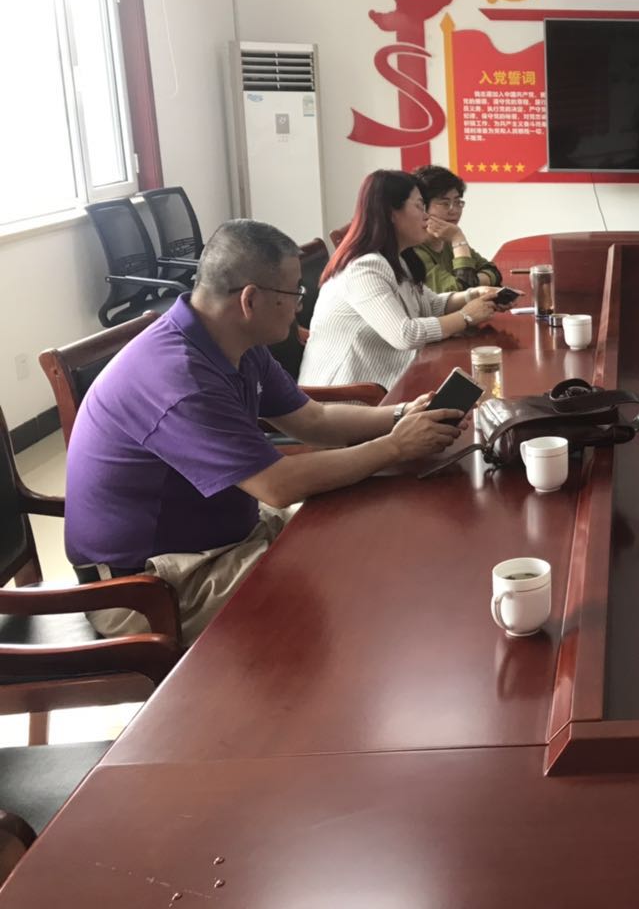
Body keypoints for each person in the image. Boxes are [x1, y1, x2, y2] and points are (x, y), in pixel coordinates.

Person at [65, 220, 466, 644]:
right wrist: (394, 447)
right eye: (294, 293)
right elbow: (276, 486)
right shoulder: (179, 377)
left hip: (224, 539)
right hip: (148, 585)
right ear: (250, 299)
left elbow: (313, 421)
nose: (299, 306)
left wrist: (400, 415)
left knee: (364, 529)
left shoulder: (235, 342)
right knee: (347, 579)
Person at [300, 169, 501, 390]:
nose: (426, 216)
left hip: (390, 380)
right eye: (419, 206)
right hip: (348, 394)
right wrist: (466, 316)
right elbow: (405, 334)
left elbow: (432, 304)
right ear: (391, 213)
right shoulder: (364, 267)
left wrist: (474, 295)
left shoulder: (398, 259)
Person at [406, 165, 501, 294]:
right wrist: (458, 239)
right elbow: (462, 293)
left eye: (457, 202)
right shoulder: (412, 250)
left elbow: (493, 271)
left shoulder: (448, 240)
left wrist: (474, 282)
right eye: (445, 203)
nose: (454, 210)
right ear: (422, 207)